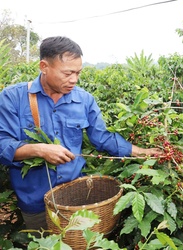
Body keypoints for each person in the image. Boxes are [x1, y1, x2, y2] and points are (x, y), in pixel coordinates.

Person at [0, 36, 162, 231]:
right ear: (44, 66)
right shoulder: (13, 98)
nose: (74, 80)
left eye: (78, 73)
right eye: (68, 73)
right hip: (35, 202)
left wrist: (141, 152)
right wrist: (40, 149)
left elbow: (102, 138)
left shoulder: (85, 100)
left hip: (76, 196)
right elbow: (2, 145)